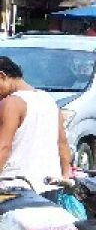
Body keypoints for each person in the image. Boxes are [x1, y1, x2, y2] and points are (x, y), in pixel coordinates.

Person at [0, 56, 72, 195]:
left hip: (15, 188)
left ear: (2, 76)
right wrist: (65, 177)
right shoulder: (48, 100)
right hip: (50, 187)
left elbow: (3, 147)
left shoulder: (11, 103)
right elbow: (62, 144)